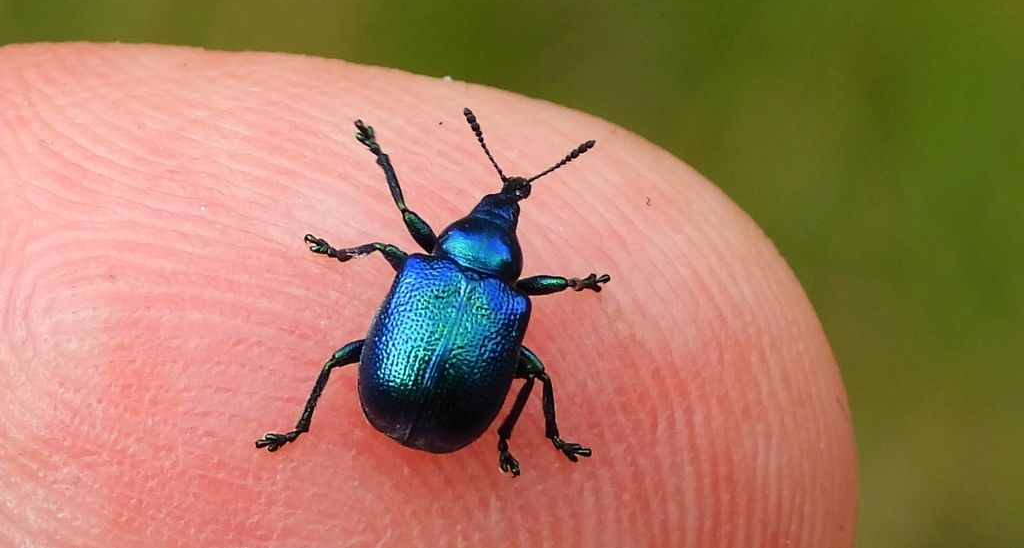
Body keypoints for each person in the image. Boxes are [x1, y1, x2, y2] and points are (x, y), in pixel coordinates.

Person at [0, 43, 857, 547]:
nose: (500, 204)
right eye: (501, 202)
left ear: (464, 233)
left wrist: (373, 178)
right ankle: (533, 437)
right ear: (506, 247)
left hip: (404, 402)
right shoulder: (512, 300)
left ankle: (311, 427)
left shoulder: (426, 264)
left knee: (363, 348)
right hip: (443, 420)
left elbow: (396, 226)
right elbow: (399, 231)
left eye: (502, 204)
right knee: (538, 374)